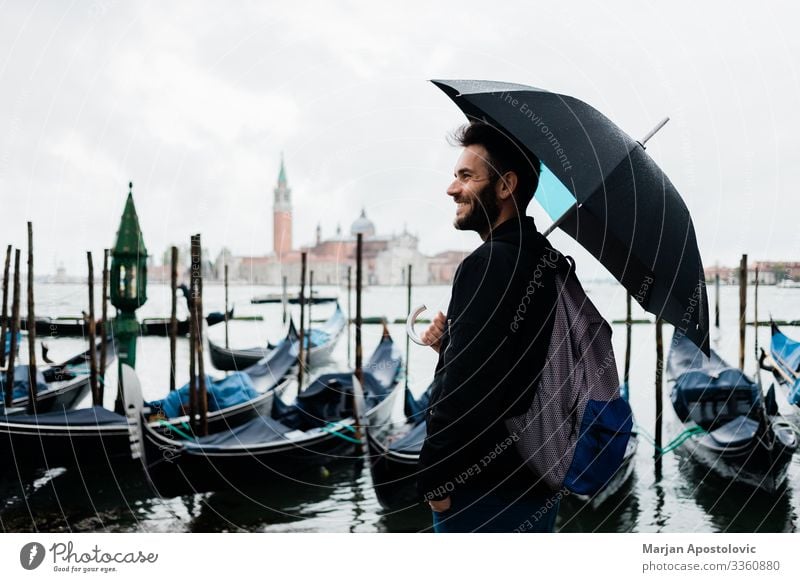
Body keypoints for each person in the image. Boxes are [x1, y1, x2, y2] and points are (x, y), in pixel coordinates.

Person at [417, 121, 560, 533]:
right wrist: (451, 345)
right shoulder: (546, 260)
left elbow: (464, 386)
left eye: (466, 176)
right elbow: (511, 364)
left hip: (481, 490)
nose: (451, 189)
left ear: (504, 185)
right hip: (535, 478)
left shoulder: (487, 263)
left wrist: (436, 479)